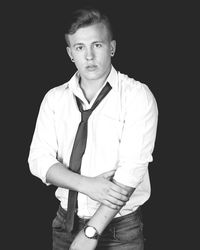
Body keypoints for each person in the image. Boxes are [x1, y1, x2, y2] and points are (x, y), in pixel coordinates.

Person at [28, 5, 158, 250]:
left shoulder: (137, 95)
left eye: (97, 45)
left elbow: (131, 172)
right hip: (64, 223)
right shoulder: (54, 99)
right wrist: (86, 184)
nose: (88, 56)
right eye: (80, 47)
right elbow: (38, 161)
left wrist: (90, 231)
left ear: (112, 48)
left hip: (121, 230)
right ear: (70, 53)